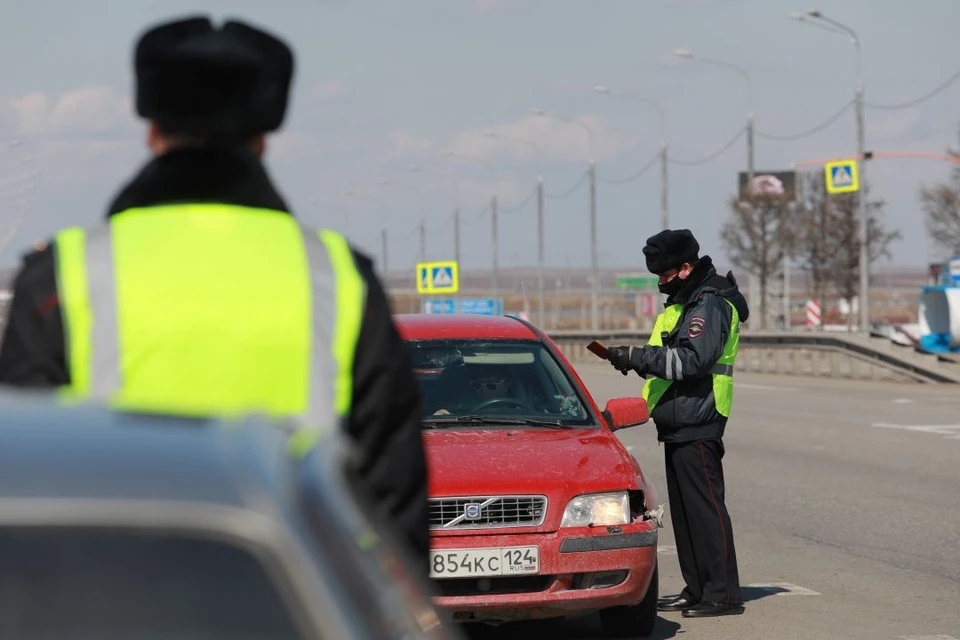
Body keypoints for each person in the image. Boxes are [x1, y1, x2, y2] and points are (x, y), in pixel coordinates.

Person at [0, 15, 429, 577]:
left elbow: (22, 482)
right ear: (261, 140)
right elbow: (393, 505)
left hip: (109, 599)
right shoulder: (338, 276)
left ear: (152, 130)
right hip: (294, 602)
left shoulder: (65, 275)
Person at [605, 229, 748, 619]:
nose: (661, 282)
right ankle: (698, 588)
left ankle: (722, 594)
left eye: (666, 274)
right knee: (685, 515)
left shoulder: (709, 304)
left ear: (687, 267)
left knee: (705, 510)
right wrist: (636, 360)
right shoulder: (686, 301)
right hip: (678, 417)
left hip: (699, 415)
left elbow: (690, 361)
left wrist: (638, 356)